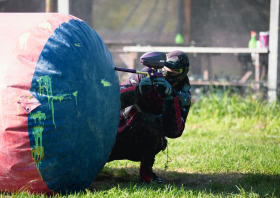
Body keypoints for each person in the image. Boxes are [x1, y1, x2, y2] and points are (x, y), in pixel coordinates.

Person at [108, 50, 191, 183]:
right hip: (114, 135)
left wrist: (170, 98)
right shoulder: (143, 76)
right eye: (166, 69)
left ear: (183, 72)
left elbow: (174, 131)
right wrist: (137, 91)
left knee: (149, 122)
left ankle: (146, 172)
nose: (168, 74)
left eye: (174, 71)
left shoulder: (182, 95)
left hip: (141, 144)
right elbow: (111, 100)